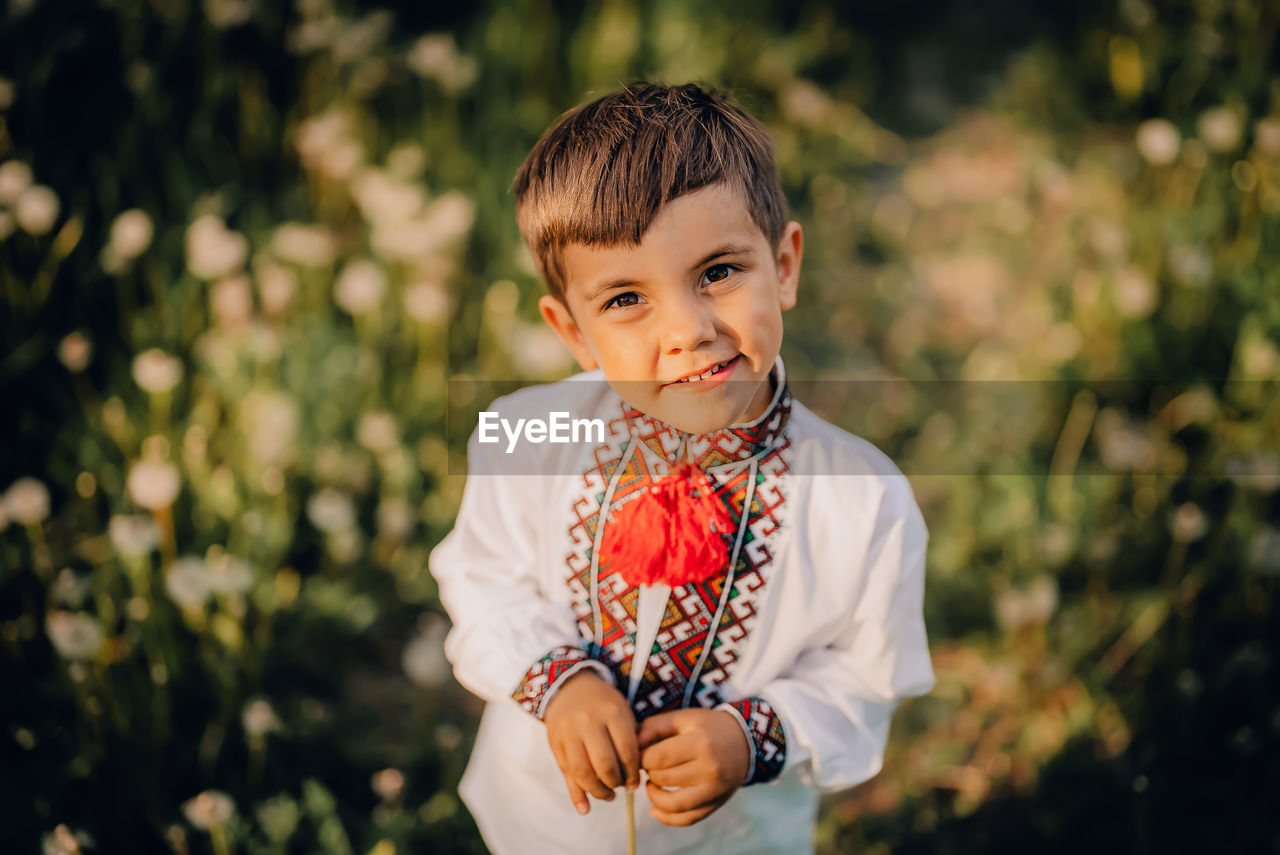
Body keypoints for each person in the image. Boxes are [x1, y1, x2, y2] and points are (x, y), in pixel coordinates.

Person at [428, 81, 935, 854]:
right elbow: (481, 580)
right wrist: (560, 680)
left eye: (719, 272)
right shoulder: (526, 437)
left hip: (733, 838)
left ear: (785, 266)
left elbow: (866, 679)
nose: (689, 330)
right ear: (574, 332)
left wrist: (752, 736)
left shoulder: (861, 501)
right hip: (542, 823)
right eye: (628, 297)